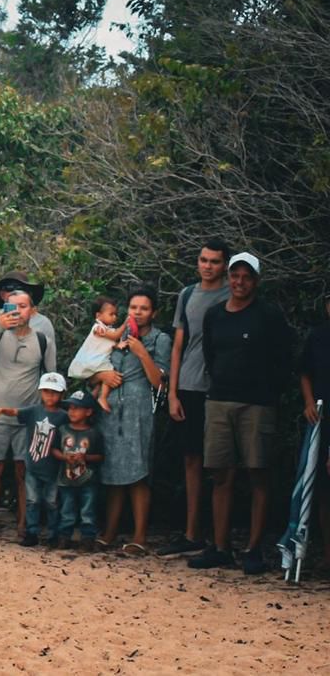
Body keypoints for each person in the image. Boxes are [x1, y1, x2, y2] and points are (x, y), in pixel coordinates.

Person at [190, 253, 290, 574]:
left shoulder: (268, 316)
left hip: (258, 403)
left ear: (256, 281)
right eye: (235, 276)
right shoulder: (215, 315)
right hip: (219, 400)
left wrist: (270, 393)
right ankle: (221, 546)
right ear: (229, 278)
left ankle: (253, 549)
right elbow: (210, 354)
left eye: (246, 277)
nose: (240, 282)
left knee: (258, 473)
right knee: (221, 474)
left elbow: (283, 358)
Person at [0, 288, 57, 539]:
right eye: (12, 307)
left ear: (33, 310)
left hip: (27, 417)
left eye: (23, 306)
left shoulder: (42, 340)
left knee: (24, 472)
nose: (17, 312)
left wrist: (49, 412)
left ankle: (25, 525)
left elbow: (51, 376)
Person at [158, 240, 231, 557]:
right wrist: (173, 393)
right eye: (203, 260)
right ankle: (191, 533)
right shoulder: (187, 294)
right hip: (189, 384)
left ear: (225, 265)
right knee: (191, 459)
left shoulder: (232, 294)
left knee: (220, 464)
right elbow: (178, 345)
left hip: (220, 388)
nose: (208, 266)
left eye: (214, 261)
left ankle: (220, 539)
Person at [94, 285, 170, 555]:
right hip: (110, 409)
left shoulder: (160, 339)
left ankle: (139, 536)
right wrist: (101, 376)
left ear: (154, 313)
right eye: (133, 307)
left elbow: (160, 383)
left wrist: (141, 352)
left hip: (139, 411)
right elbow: (91, 369)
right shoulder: (114, 334)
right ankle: (110, 532)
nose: (138, 313)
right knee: (113, 470)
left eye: (144, 308)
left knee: (139, 473)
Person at [0, 372, 69, 547]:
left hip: (54, 468)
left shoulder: (64, 416)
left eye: (55, 392)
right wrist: (2, 410)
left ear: (62, 394)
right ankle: (31, 532)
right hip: (33, 466)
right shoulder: (34, 411)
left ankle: (53, 534)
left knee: (52, 502)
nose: (50, 396)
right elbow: (16, 412)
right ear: (40, 392)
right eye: (46, 391)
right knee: (32, 500)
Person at [297, 291, 330, 571]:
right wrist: (308, 402)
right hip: (322, 419)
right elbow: (304, 371)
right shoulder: (318, 336)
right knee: (322, 487)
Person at [53, 390, 105, 550]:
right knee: (66, 510)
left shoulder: (94, 433)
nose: (71, 411)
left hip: (88, 480)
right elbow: (54, 449)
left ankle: (88, 539)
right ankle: (64, 537)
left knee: (87, 511)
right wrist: (64, 457)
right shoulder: (62, 429)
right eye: (70, 408)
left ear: (88, 412)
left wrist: (85, 457)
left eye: (76, 408)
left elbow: (100, 456)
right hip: (65, 479)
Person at [66, 296, 129, 413]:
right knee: (109, 371)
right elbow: (115, 336)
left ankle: (94, 396)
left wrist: (118, 345)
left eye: (115, 314)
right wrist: (125, 324)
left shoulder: (107, 329)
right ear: (98, 316)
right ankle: (102, 398)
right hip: (93, 361)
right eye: (111, 314)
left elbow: (109, 343)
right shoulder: (98, 328)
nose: (114, 317)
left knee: (101, 380)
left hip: (96, 361)